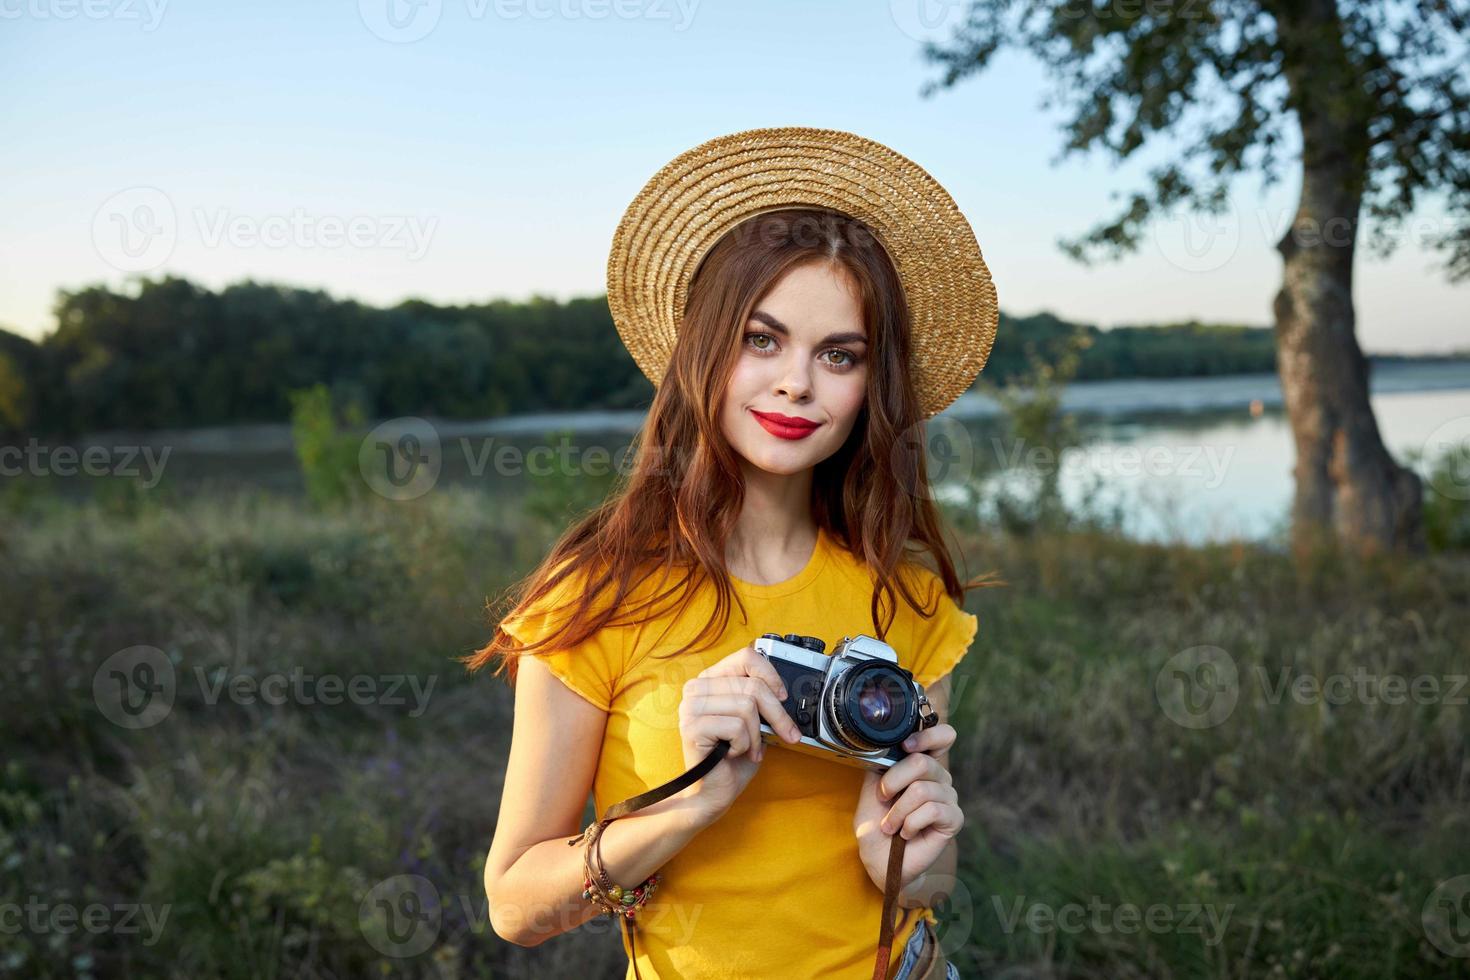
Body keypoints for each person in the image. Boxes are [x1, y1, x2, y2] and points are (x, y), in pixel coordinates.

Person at [468, 127, 1002, 979]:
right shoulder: (597, 597)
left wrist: (909, 848)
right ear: (706, 350)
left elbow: (926, 884)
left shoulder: (908, 599)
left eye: (839, 355)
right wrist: (690, 805)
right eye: (763, 339)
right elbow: (516, 906)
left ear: (872, 386)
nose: (797, 382)